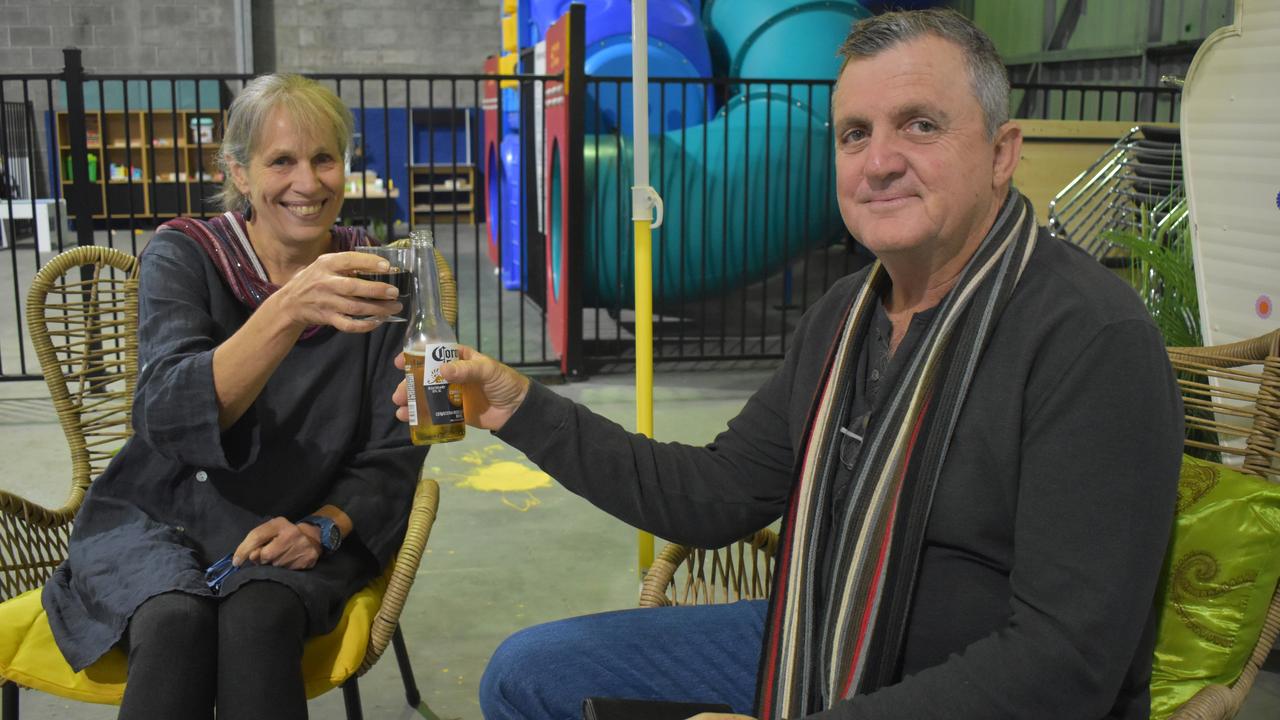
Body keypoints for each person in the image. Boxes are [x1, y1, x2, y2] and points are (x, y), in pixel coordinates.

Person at [405, 10, 1184, 720]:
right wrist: (517, 406)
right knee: (527, 675)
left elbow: (1066, 664)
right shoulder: (846, 315)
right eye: (853, 133)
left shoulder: (1090, 338)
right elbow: (714, 494)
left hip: (975, 685)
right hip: (820, 629)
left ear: (1001, 153)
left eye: (919, 126)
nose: (878, 161)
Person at [42, 73, 426, 720]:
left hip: (298, 521)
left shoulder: (380, 278)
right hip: (159, 512)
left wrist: (324, 529)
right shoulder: (185, 255)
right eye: (281, 161)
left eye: (324, 158)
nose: (308, 184)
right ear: (239, 174)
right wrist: (287, 310)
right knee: (172, 622)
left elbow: (394, 447)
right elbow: (163, 413)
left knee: (259, 618)